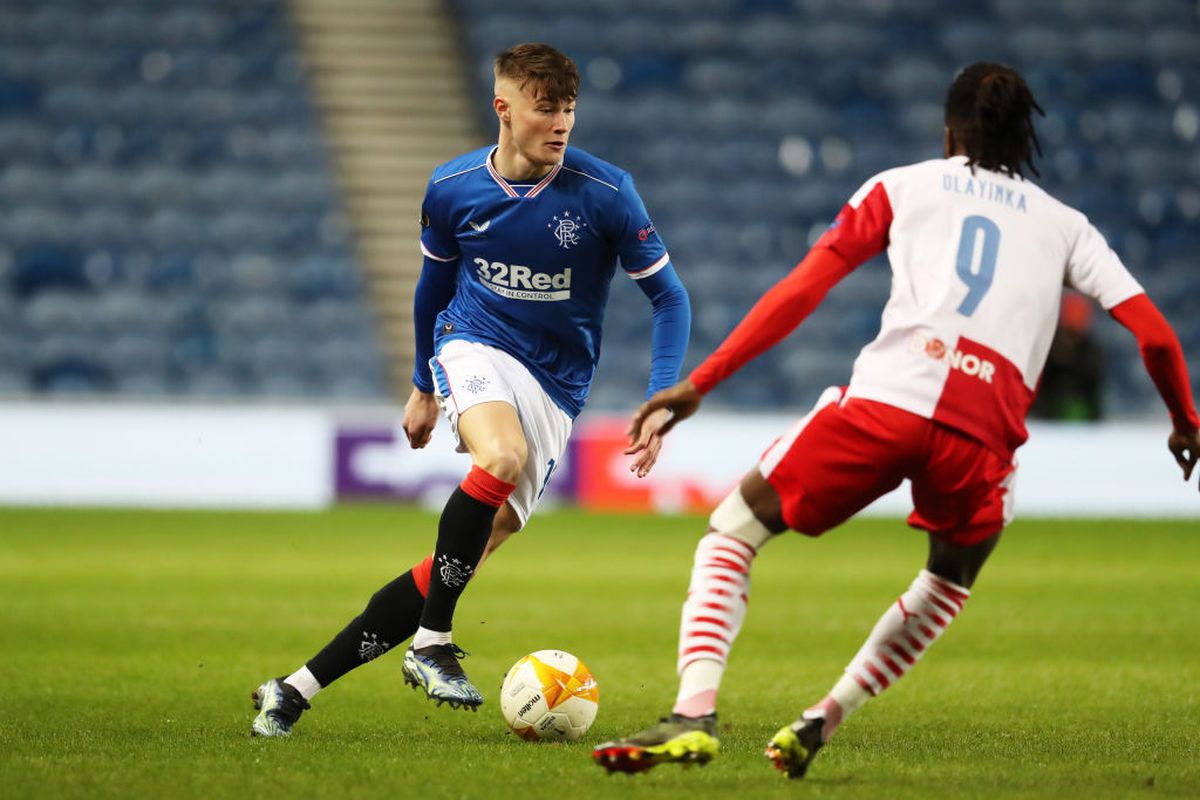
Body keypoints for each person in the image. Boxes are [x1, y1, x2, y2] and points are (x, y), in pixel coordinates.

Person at [592, 62, 1199, 778]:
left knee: (735, 529)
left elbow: (803, 289)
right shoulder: (1068, 227)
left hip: (887, 403)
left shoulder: (900, 185)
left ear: (949, 132)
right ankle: (826, 714)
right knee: (948, 579)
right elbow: (1156, 335)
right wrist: (1185, 423)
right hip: (982, 433)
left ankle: (693, 714)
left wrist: (701, 383)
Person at [250, 43, 690, 736]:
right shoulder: (453, 187)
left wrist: (664, 396)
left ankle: (293, 688)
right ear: (504, 108)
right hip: (474, 341)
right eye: (546, 109)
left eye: (569, 110)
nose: (562, 124)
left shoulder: (606, 193)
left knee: (458, 561)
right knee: (501, 457)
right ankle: (433, 643)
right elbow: (432, 289)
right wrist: (424, 383)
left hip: (557, 384)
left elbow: (670, 300)